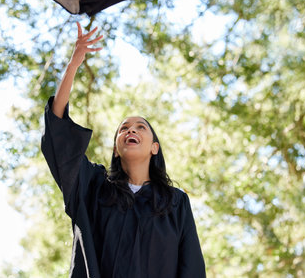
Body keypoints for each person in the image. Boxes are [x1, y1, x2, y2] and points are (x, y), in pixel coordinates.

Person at [41, 22, 206, 278]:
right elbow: (59, 133)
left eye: (141, 127)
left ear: (154, 147)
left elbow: (192, 268)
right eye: (124, 128)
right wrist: (74, 64)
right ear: (116, 150)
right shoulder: (94, 188)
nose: (131, 130)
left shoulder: (175, 203)